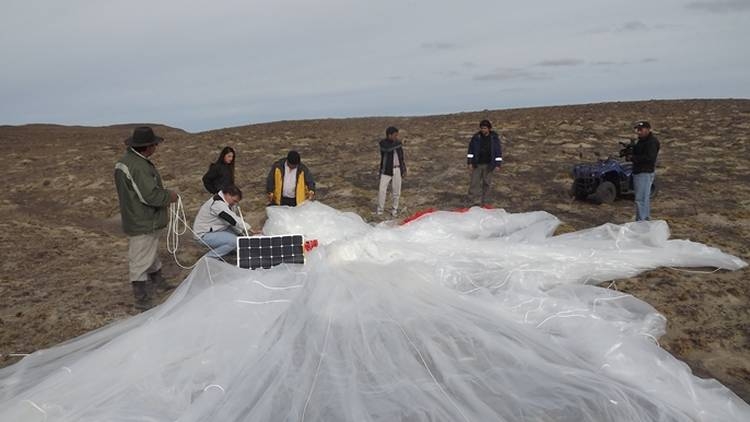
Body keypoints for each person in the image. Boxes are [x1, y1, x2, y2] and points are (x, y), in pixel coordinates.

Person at [114, 126, 178, 310]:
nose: (156, 148)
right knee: (140, 257)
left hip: (140, 217)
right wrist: (169, 197)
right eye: (154, 145)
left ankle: (158, 281)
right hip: (143, 219)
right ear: (147, 146)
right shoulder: (138, 166)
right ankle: (141, 298)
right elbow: (149, 195)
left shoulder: (130, 161)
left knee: (149, 251)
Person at [193, 184, 256, 259]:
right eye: (234, 201)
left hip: (215, 229)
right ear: (228, 195)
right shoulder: (217, 204)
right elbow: (232, 220)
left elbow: (230, 222)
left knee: (239, 237)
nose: (235, 203)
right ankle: (208, 259)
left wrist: (240, 233)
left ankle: (232, 251)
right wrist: (250, 229)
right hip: (203, 234)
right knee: (234, 241)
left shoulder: (226, 203)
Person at [628, 121, 660, 221]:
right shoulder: (642, 141)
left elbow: (650, 158)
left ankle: (641, 222)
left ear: (648, 129)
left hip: (644, 172)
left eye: (641, 130)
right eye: (637, 130)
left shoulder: (652, 142)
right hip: (639, 171)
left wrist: (633, 158)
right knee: (643, 198)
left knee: (641, 199)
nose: (639, 132)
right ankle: (644, 219)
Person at [467, 119, 503, 206]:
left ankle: (485, 203)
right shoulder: (476, 138)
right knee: (474, 184)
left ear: (489, 128)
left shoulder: (494, 138)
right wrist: (469, 162)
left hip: (489, 165)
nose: (483, 130)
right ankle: (472, 202)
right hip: (477, 165)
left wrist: (498, 164)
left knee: (487, 183)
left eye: (485, 128)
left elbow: (498, 151)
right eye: (482, 128)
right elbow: (470, 151)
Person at [377, 126, 407, 216]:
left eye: (397, 135)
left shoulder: (397, 144)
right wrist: (400, 143)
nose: (396, 137)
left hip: (397, 169)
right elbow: (387, 149)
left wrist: (403, 169)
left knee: (396, 191)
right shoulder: (383, 143)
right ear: (389, 135)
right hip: (386, 170)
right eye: (395, 135)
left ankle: (394, 210)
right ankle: (380, 211)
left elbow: (401, 158)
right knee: (382, 190)